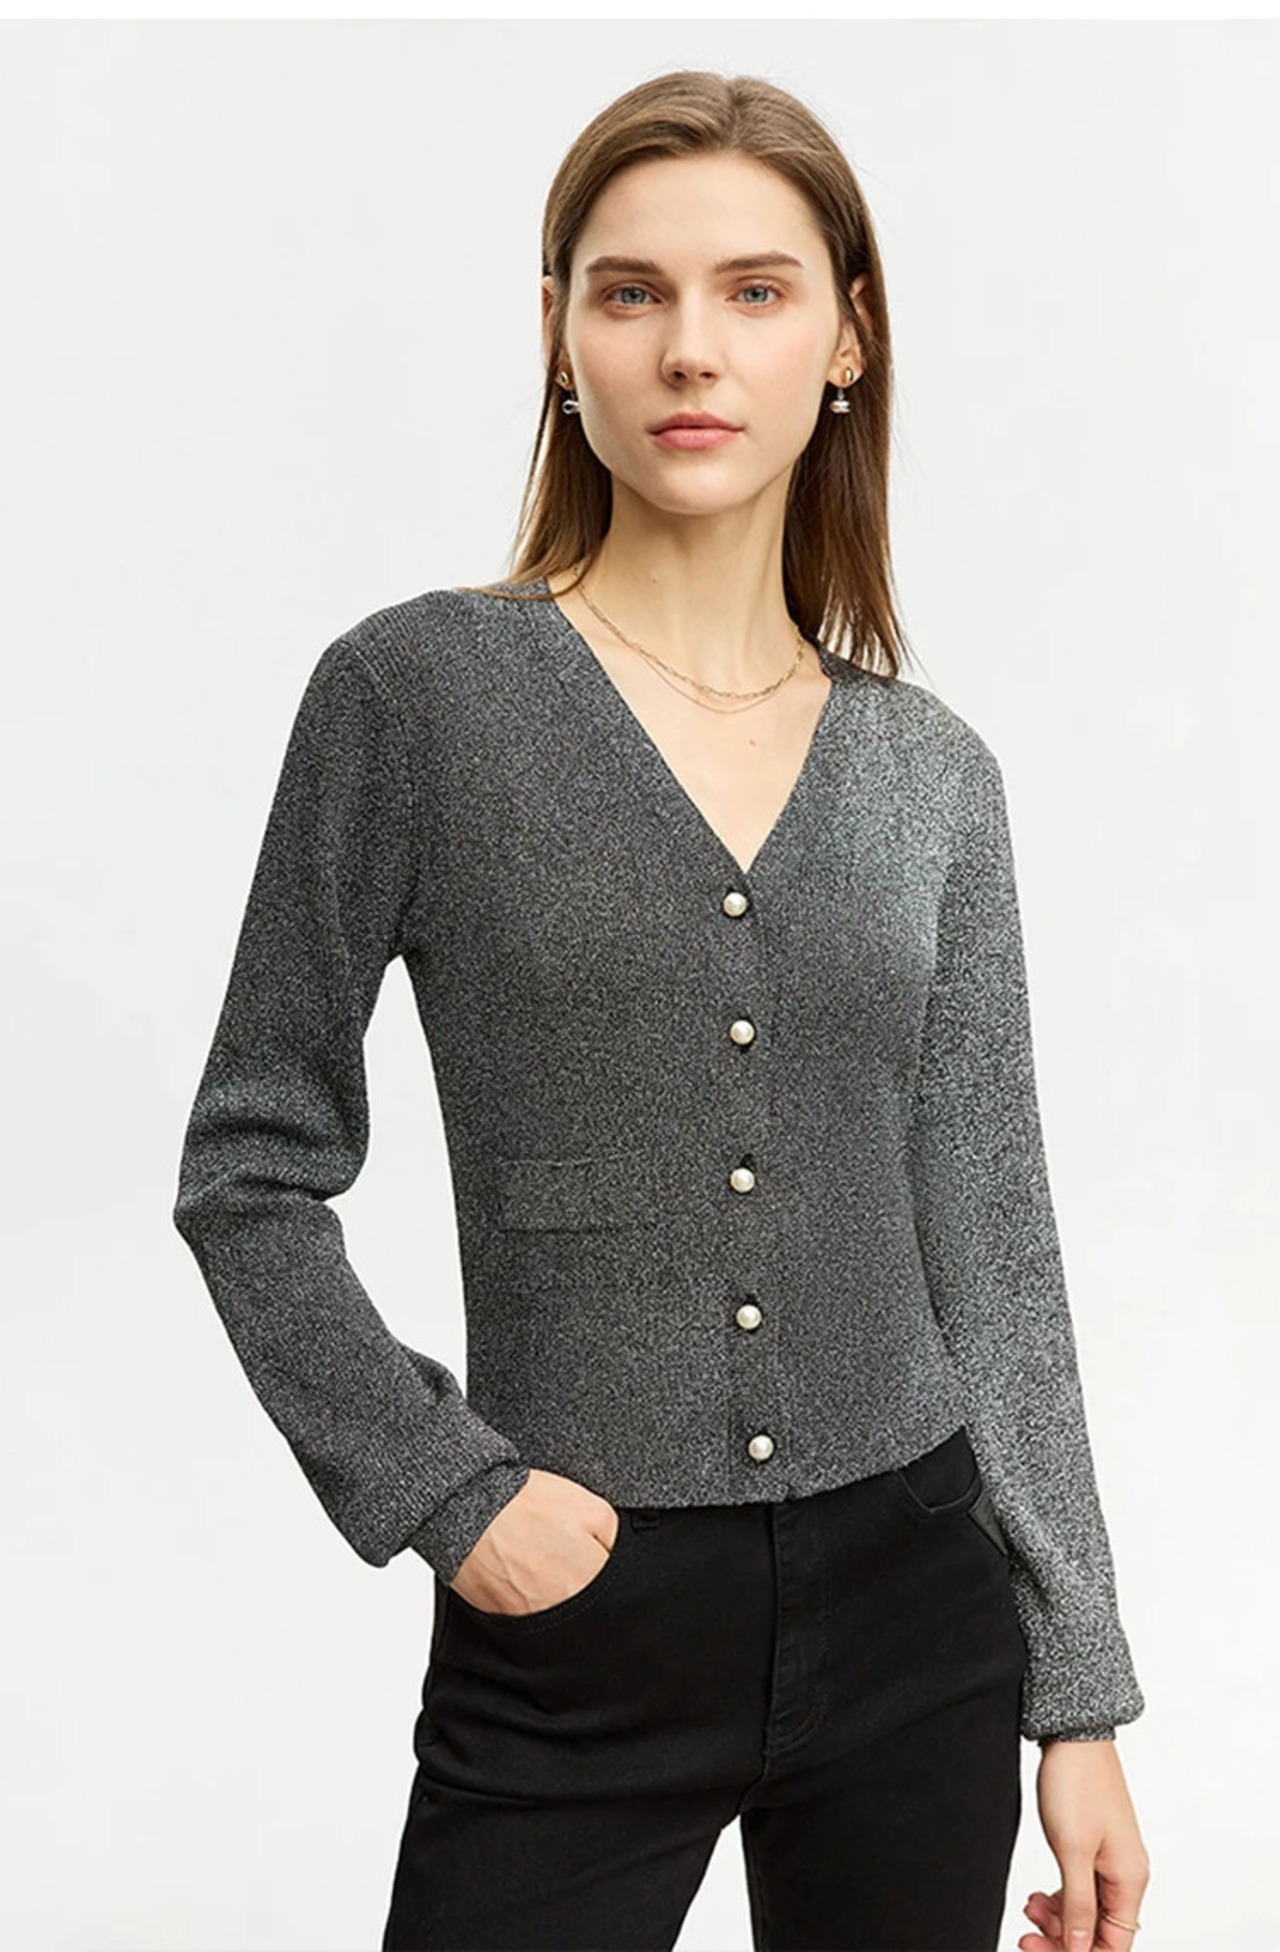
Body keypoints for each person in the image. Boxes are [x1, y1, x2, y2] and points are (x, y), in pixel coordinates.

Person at [172, 68, 1151, 1952]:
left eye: (755, 291)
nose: (691, 347)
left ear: (846, 339)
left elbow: (992, 1242)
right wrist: (448, 1490)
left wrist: (1080, 1695)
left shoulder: (932, 778)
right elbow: (249, 1166)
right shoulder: (417, 700)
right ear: (560, 335)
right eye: (632, 293)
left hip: (921, 1622)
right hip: (578, 1626)